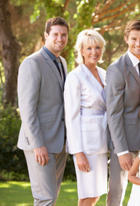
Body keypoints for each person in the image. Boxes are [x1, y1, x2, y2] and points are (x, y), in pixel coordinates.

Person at [17, 17, 69, 206]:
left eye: (64, 35)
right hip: (40, 144)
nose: (60, 38)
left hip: (59, 142)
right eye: (55, 34)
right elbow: (27, 109)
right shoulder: (32, 63)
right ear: (46, 35)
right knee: (45, 198)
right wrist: (38, 144)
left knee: (51, 198)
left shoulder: (62, 62)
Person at [106, 20, 140, 206]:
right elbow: (113, 113)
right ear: (126, 39)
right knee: (117, 191)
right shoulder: (116, 69)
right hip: (125, 141)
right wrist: (122, 151)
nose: (138, 43)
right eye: (134, 39)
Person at [64, 29, 109, 206]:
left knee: (96, 194)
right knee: (88, 195)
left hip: (101, 142)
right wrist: (78, 152)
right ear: (81, 51)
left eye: (97, 47)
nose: (94, 52)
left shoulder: (104, 74)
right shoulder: (75, 77)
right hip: (86, 146)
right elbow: (71, 117)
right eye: (89, 48)